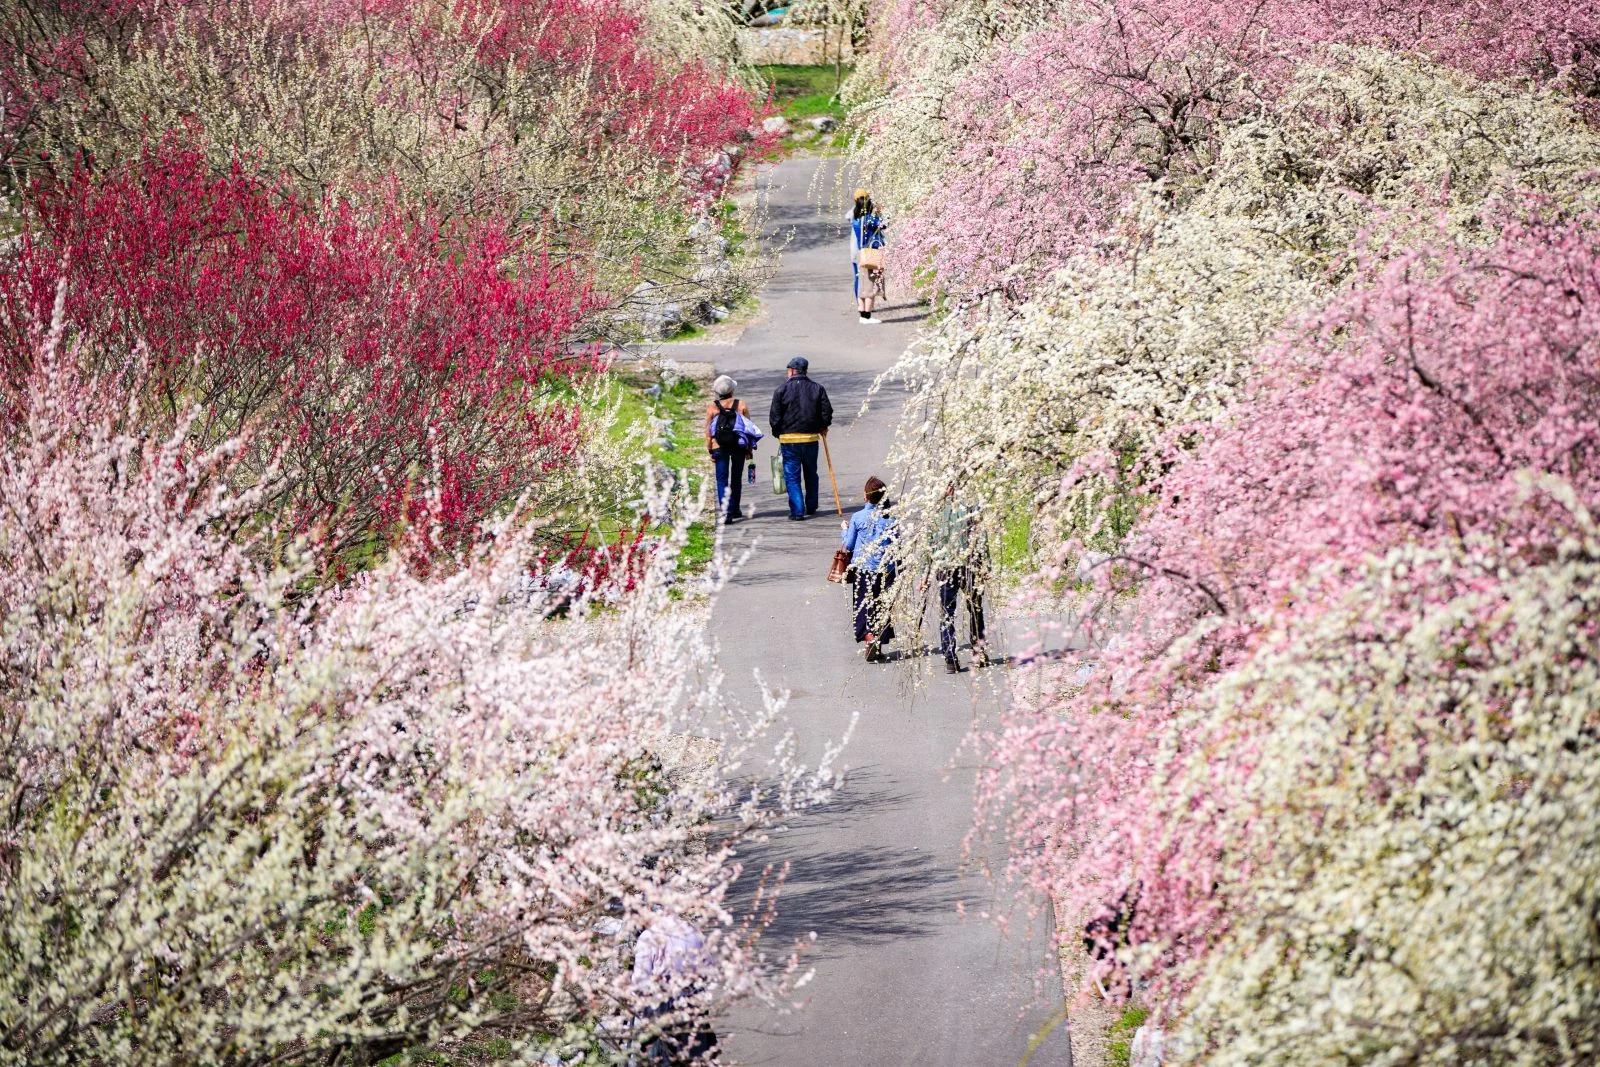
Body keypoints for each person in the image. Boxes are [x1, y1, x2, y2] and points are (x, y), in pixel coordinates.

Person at [632, 914, 719, 1065]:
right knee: (694, 1054)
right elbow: (709, 970)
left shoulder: (648, 937)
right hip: (691, 999)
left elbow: (640, 982)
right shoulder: (693, 933)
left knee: (661, 1056)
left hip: (660, 1003)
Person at [768, 356, 833, 520]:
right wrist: (823, 426)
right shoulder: (817, 388)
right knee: (811, 472)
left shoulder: (781, 390)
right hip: (811, 438)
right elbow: (827, 411)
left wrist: (778, 433)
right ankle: (811, 505)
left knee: (792, 475)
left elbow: (774, 417)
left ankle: (797, 511)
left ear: (791, 371)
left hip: (789, 440)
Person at [932, 490, 990, 672]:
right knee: (975, 609)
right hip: (969, 565)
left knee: (947, 612)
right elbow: (981, 536)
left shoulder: (937, 511)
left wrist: (926, 572)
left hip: (946, 567)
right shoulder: (971, 507)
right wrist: (986, 564)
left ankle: (950, 658)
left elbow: (930, 541)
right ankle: (978, 652)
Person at [842, 476, 899, 662]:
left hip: (864, 571)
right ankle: (877, 645)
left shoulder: (858, 518)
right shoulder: (891, 520)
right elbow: (897, 546)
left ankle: (869, 637)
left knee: (863, 607)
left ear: (866, 496)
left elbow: (849, 545)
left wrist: (844, 529)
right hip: (886, 571)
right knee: (881, 607)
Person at [705, 374, 751, 524]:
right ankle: (736, 508)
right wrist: (749, 450)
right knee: (736, 478)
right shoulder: (741, 405)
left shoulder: (712, 407)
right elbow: (748, 429)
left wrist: (710, 449)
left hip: (719, 446)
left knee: (721, 479)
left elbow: (708, 431)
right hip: (738, 446)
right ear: (732, 391)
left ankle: (726, 512)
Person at [850, 189, 887, 325]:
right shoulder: (869, 219)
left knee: (862, 284)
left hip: (861, 253)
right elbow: (883, 225)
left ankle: (862, 313)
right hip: (871, 253)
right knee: (871, 285)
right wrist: (879, 214)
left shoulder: (856, 218)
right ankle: (867, 316)